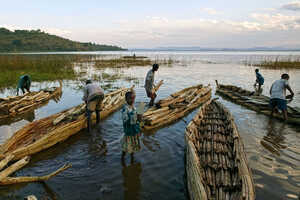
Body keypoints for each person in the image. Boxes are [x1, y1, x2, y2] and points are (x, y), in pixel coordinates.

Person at [121, 91, 142, 162]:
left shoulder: (134, 107)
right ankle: (122, 158)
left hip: (134, 130)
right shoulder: (125, 108)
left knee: (133, 146)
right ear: (126, 99)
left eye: (133, 98)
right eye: (130, 98)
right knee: (125, 147)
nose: (132, 100)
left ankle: (132, 158)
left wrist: (140, 115)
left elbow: (139, 120)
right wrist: (135, 116)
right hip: (128, 131)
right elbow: (126, 120)